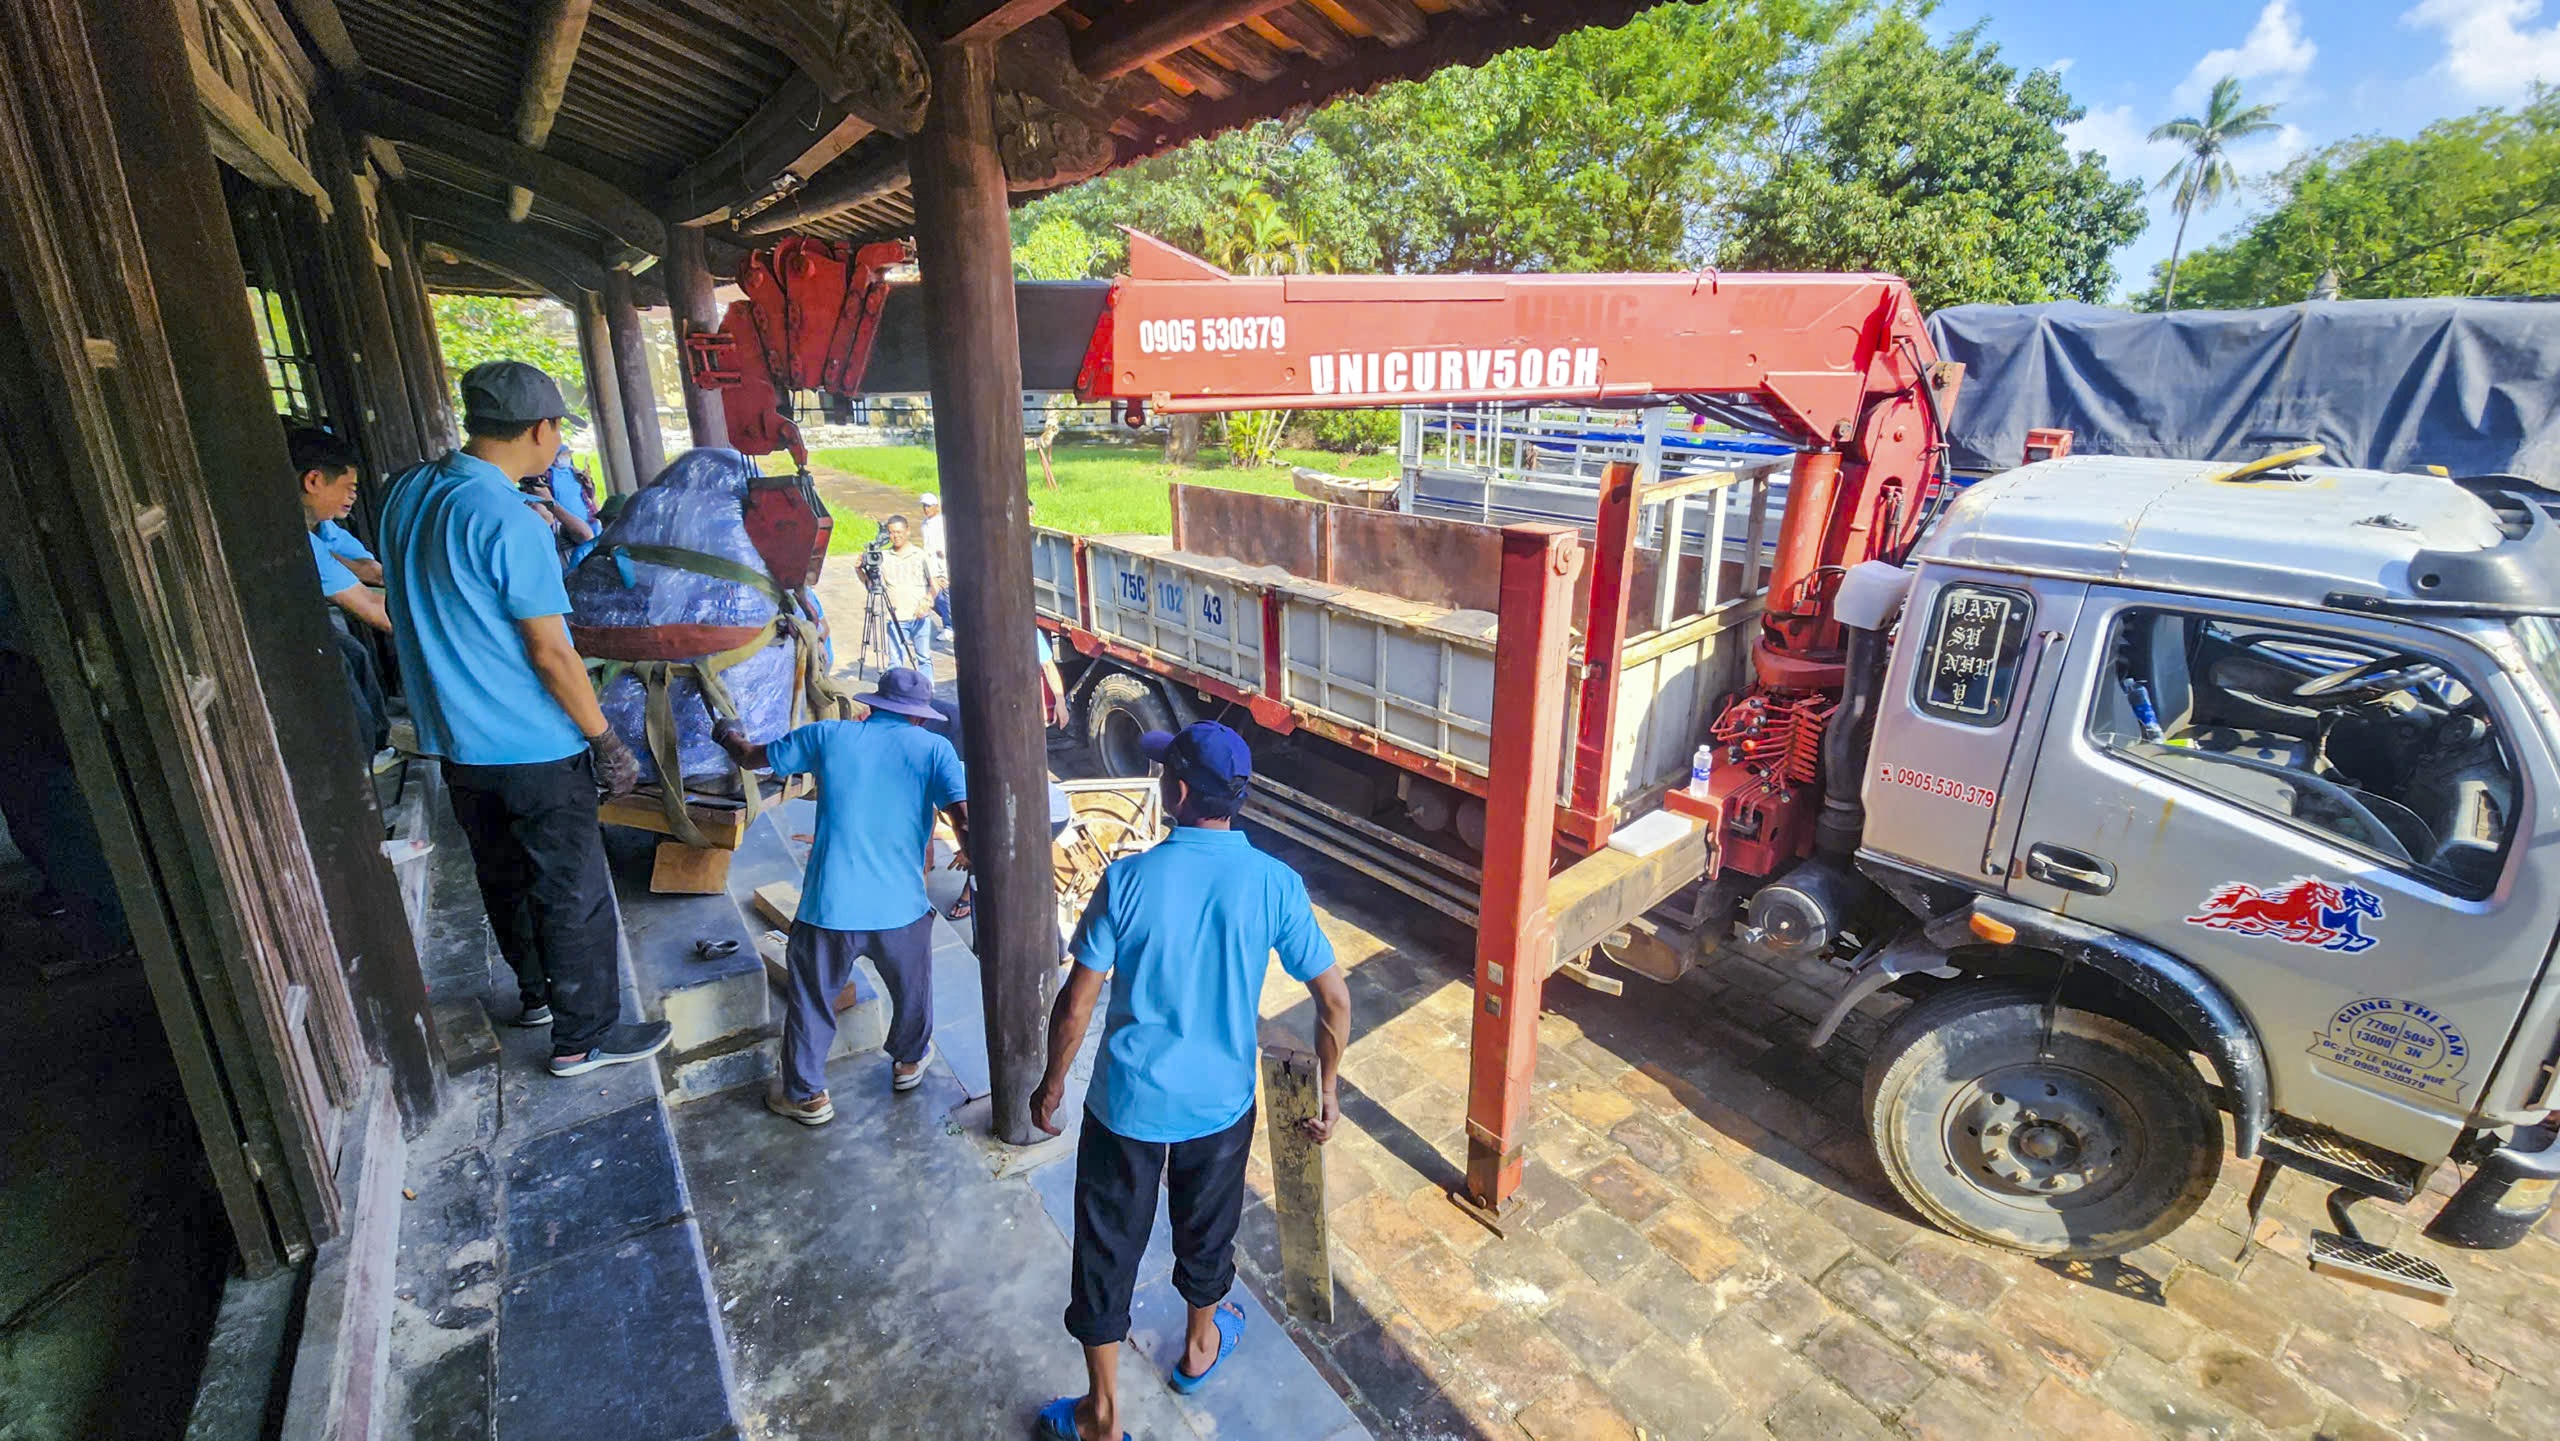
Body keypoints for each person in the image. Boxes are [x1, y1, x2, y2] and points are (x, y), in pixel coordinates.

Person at [1031, 722, 1352, 1441]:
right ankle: (1200, 1345)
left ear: (1176, 791)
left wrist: (1052, 1082)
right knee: (1207, 1230)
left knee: (1107, 1246)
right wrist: (1328, 1087)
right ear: (1236, 798)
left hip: (1128, 1105)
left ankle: (1103, 1416)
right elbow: (1334, 999)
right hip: (1220, 1103)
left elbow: (1078, 999)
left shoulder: (1129, 879)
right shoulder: (1273, 882)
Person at [378, 360, 667, 1077]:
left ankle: (536, 994)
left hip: (457, 742)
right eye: (558, 431)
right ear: (542, 430)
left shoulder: (407, 492)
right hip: (535, 742)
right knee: (572, 889)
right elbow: (550, 650)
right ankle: (586, 1035)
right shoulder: (508, 517)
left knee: (502, 873)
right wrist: (604, 738)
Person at [713, 666, 970, 1122]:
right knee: (912, 991)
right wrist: (971, 854)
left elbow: (752, 757)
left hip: (829, 908)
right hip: (901, 909)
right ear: (919, 717)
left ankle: (806, 1095)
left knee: (812, 1000)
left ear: (873, 706)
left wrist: (727, 734)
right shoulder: (935, 749)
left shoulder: (828, 736)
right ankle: (909, 1061)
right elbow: (962, 816)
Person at [932, 628, 1075, 924]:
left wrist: (970, 852)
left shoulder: (954, 765)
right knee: (994, 853)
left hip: (1045, 814)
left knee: (996, 858)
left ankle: (982, 901)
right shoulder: (961, 736)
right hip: (1037, 806)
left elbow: (967, 819)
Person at [288, 426, 392, 755]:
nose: (353, 496)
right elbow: (377, 612)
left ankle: (377, 747)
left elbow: (370, 571)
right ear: (314, 481)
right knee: (338, 666)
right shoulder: (293, 535)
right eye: (348, 487)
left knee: (354, 654)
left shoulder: (320, 526)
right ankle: (361, 764)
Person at [874, 515, 941, 670]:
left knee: (924, 658)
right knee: (895, 660)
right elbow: (872, 585)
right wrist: (860, 570)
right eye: (891, 533)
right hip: (895, 618)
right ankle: (897, 691)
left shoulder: (920, 555)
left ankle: (926, 691)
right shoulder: (884, 557)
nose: (895, 536)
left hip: (919, 616)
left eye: (898, 532)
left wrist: (928, 600)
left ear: (907, 531)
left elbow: (935, 585)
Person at [535, 443, 600, 570]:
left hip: (588, 521)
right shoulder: (546, 476)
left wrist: (588, 484)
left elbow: (590, 494)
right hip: (565, 525)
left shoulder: (575, 472)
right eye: (564, 455)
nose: (567, 458)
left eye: (568, 455)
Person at [918, 494, 954, 648]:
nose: (926, 509)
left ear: (936, 507)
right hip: (930, 566)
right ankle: (949, 623)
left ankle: (950, 627)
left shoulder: (942, 523)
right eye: (924, 506)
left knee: (946, 597)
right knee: (935, 597)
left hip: (942, 567)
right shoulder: (924, 524)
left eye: (929, 506)